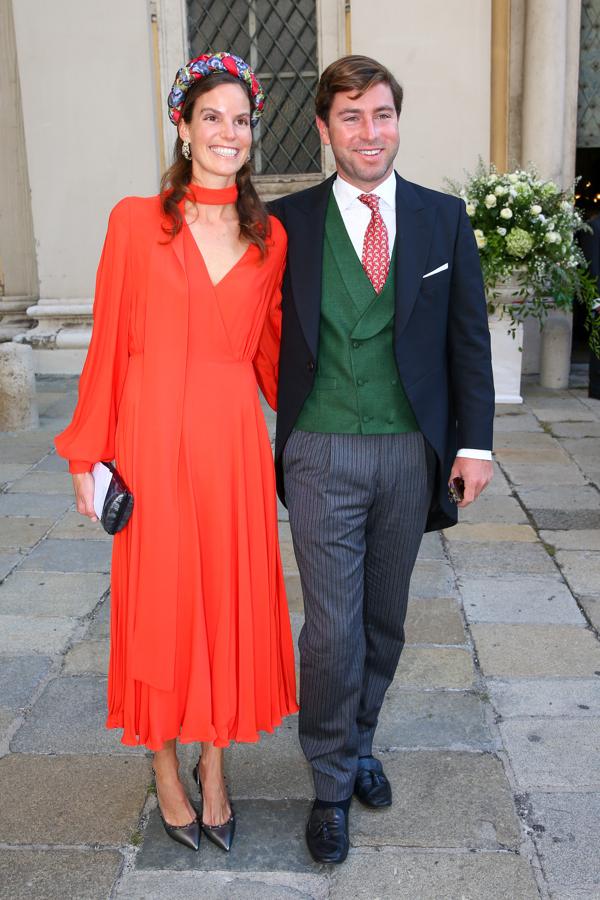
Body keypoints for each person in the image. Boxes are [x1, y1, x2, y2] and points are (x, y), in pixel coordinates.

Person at [55, 52, 298, 853]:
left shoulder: (272, 237)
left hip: (231, 448)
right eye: (212, 118)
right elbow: (107, 344)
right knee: (160, 607)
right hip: (152, 443)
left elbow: (273, 357)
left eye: (240, 119)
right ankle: (164, 765)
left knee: (225, 599)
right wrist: (89, 455)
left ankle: (216, 765)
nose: (228, 133)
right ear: (184, 128)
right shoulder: (136, 220)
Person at [269, 55, 495, 864]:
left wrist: (474, 443)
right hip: (321, 449)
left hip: (409, 451)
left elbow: (467, 339)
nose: (372, 132)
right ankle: (329, 783)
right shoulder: (286, 222)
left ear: (399, 121)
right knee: (331, 631)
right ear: (325, 128)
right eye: (354, 117)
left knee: (383, 622)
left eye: (384, 115)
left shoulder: (442, 218)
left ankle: (361, 739)